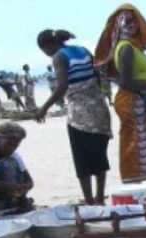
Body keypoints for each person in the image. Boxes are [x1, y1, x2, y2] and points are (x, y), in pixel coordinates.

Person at [95, 4, 146, 183]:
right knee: (134, 147)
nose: (131, 24)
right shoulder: (125, 48)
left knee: (141, 146)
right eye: (126, 20)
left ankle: (136, 187)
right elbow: (127, 82)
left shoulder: (132, 47)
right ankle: (132, 187)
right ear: (118, 25)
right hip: (131, 101)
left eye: (134, 20)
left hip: (137, 100)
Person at [35, 29, 114, 205]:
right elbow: (98, 75)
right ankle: (100, 197)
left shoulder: (59, 57)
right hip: (100, 110)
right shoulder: (82, 50)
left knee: (83, 161)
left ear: (47, 46)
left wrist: (44, 108)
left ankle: (89, 201)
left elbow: (62, 86)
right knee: (100, 156)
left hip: (79, 115)